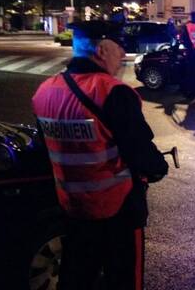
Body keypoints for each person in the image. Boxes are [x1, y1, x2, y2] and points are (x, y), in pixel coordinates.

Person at [32, 20, 169, 290]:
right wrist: (158, 168)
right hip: (117, 212)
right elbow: (141, 152)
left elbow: (44, 149)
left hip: (72, 209)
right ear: (102, 49)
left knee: (76, 278)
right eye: (120, 49)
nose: (122, 57)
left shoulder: (44, 91)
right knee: (123, 280)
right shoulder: (112, 92)